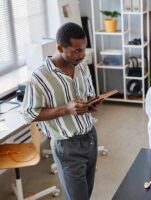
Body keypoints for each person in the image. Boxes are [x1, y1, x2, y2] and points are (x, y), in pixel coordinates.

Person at [23, 22, 101, 200]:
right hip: (67, 146)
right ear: (60, 48)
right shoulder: (40, 77)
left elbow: (88, 95)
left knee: (86, 195)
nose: (82, 55)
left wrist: (91, 104)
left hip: (90, 138)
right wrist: (65, 109)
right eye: (76, 51)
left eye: (83, 49)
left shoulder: (81, 66)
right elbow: (29, 114)